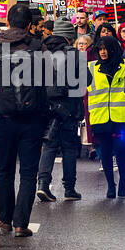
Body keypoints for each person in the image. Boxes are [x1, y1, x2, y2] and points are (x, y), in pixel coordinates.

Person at [0, 3, 51, 237]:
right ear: (29, 24)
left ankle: (4, 218)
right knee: (28, 172)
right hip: (32, 118)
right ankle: (21, 223)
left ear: (7, 20)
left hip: (3, 117)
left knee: (4, 170)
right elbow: (51, 76)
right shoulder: (37, 46)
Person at [35, 19, 85, 202]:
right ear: (69, 37)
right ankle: (69, 189)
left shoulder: (42, 52)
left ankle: (42, 184)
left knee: (49, 145)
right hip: (69, 108)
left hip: (47, 106)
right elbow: (86, 80)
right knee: (69, 148)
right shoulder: (75, 54)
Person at [87, 35, 125, 198]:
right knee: (105, 152)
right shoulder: (91, 67)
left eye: (105, 48)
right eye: (100, 49)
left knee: (121, 150)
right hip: (100, 117)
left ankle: (123, 183)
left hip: (121, 117)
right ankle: (110, 185)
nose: (103, 52)